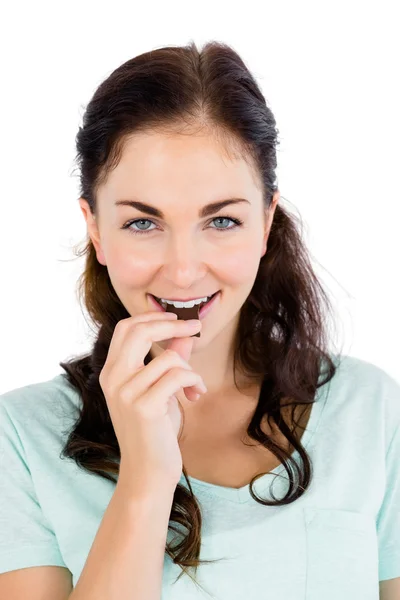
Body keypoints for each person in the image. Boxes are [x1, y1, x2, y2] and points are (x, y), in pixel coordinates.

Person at [1, 40, 399, 600]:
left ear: (265, 223)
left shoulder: (372, 411)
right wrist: (145, 478)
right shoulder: (19, 437)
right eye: (143, 223)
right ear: (95, 230)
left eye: (222, 221)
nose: (184, 271)